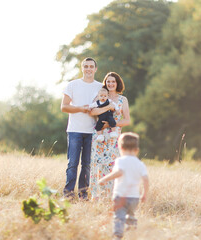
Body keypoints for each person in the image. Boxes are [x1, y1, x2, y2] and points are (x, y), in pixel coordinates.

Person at [60, 57, 103, 200]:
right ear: (82, 68)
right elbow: (64, 107)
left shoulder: (100, 87)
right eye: (86, 66)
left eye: (91, 66)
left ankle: (83, 194)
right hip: (74, 130)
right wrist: (81, 109)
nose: (88, 69)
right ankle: (68, 194)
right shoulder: (72, 85)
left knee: (87, 165)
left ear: (95, 69)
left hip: (92, 131)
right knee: (72, 163)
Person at [99, 132, 149, 240]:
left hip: (120, 195)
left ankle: (117, 236)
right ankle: (131, 234)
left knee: (119, 217)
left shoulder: (120, 160)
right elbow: (145, 179)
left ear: (120, 148)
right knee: (131, 216)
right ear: (137, 149)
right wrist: (144, 193)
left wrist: (104, 179)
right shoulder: (140, 164)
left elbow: (119, 172)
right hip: (135, 197)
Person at [89, 72, 131, 201]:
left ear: (117, 83)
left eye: (113, 81)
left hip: (113, 136)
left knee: (112, 165)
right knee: (97, 164)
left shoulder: (123, 100)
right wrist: (108, 106)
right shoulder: (100, 96)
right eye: (108, 81)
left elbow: (127, 120)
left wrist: (111, 124)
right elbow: (92, 112)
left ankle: (111, 195)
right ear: (105, 83)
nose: (110, 84)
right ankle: (96, 195)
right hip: (99, 135)